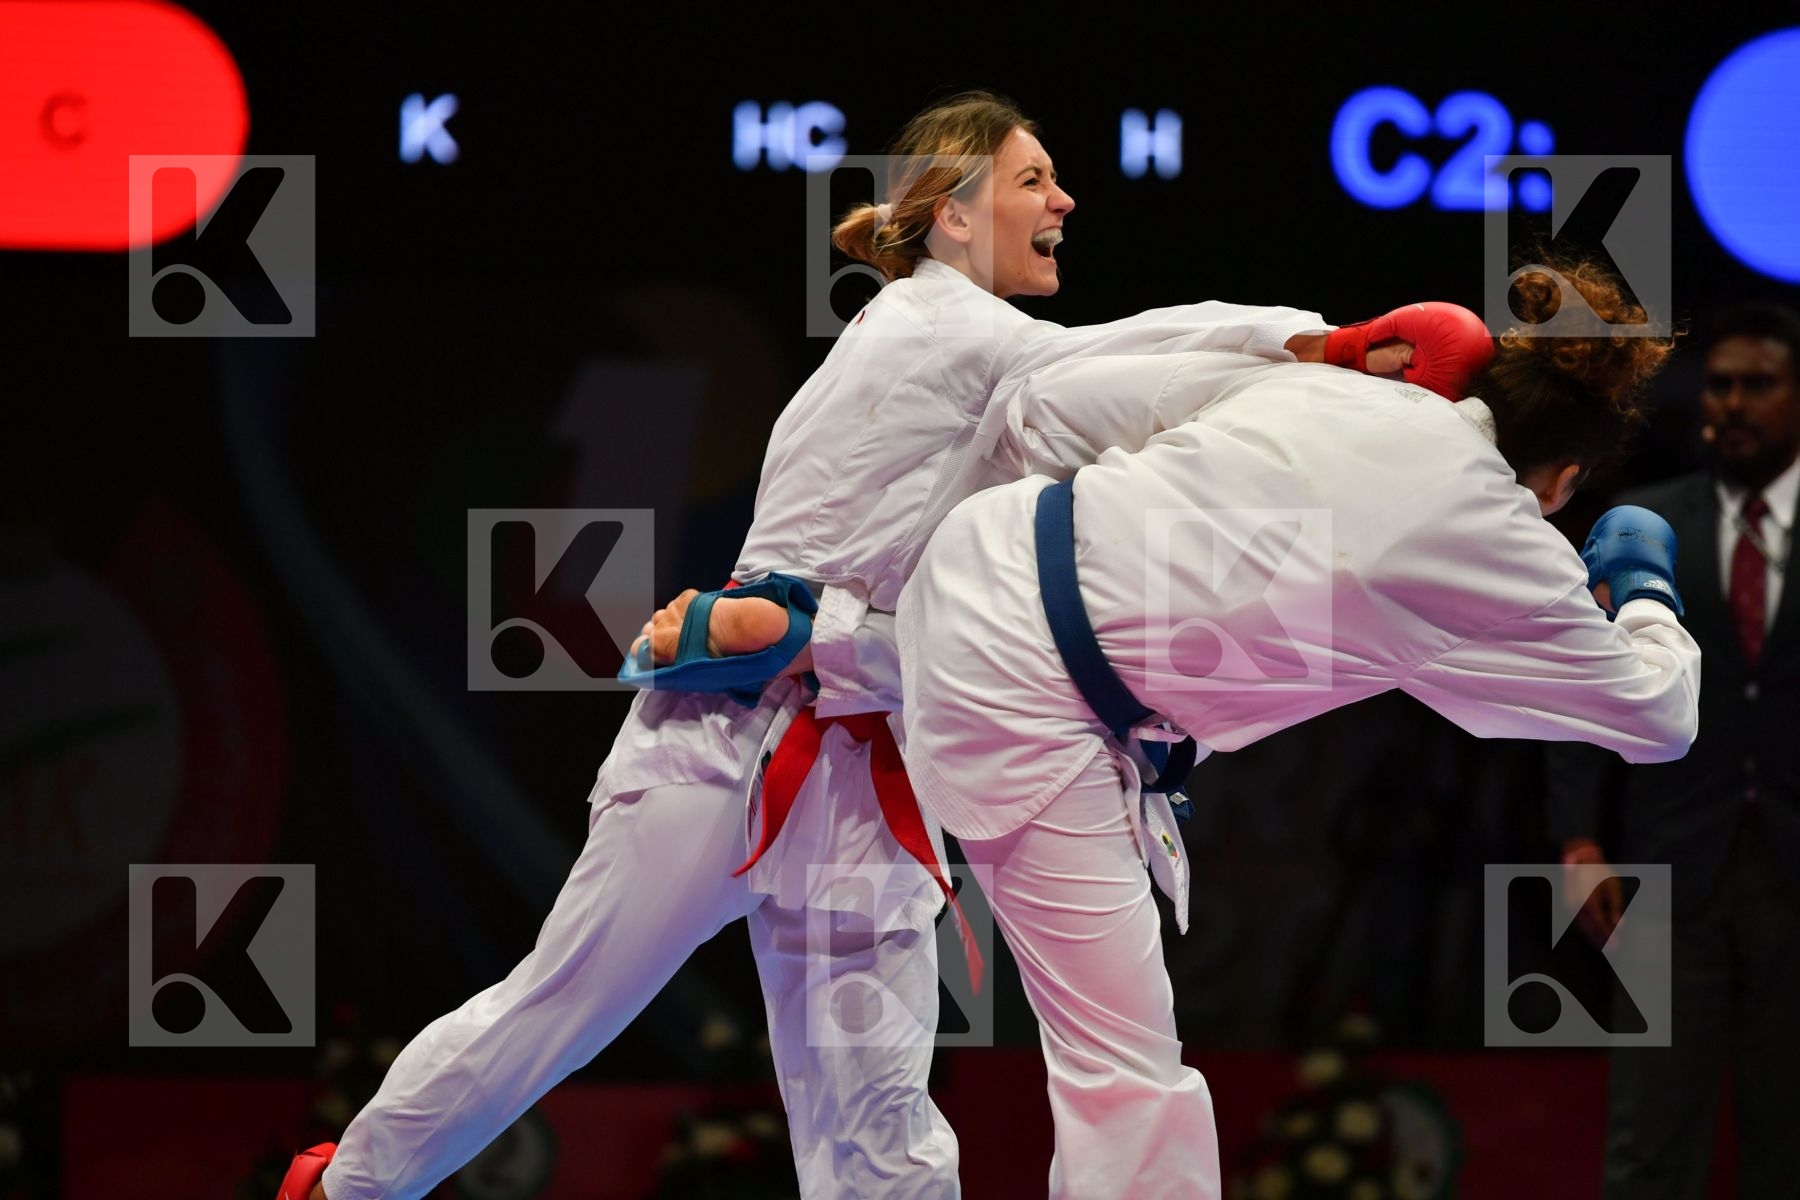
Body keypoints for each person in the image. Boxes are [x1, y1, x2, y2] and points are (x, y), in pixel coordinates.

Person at [279, 90, 1366, 1200]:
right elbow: (1138, 352)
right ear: (949, 213)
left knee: (871, 1111)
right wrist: (1316, 345)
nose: (1064, 197)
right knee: (561, 1007)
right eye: (1034, 177)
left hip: (860, 757)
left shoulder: (965, 350)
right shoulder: (945, 329)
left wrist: (1306, 352)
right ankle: (343, 1190)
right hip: (726, 738)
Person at [887, 260, 1698, 1198]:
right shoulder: (1509, 547)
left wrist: (1316, 351)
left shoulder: (1330, 381)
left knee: (847, 909)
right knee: (1121, 1073)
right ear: (1563, 479)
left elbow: (1052, 404)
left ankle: (800, 632)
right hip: (1022, 695)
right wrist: (1644, 592)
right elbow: (1659, 718)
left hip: (973, 553)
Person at [1546, 302, 1800, 1199]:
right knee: (1649, 1143)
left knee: (1791, 1146)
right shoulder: (1640, 522)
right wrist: (1578, 842)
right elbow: (1581, 687)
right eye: (1720, 385)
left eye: (1758, 385)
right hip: (1658, 870)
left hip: (1795, 872)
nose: (1732, 403)